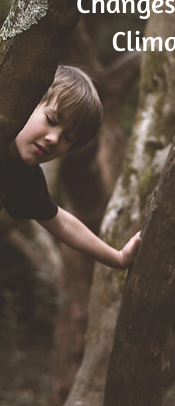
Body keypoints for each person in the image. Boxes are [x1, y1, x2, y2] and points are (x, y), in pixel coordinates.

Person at [1, 65, 141, 269]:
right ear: (28, 101)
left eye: (69, 138)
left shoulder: (24, 177)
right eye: (51, 120)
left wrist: (118, 258)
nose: (54, 138)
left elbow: (62, 223)